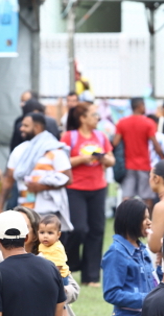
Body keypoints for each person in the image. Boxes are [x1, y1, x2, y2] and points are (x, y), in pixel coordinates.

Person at [62, 101, 114, 286]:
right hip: (75, 188)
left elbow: (112, 160)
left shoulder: (101, 136)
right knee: (78, 229)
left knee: (97, 231)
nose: (97, 118)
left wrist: (103, 158)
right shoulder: (69, 137)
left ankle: (91, 276)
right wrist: (83, 158)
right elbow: (60, 161)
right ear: (82, 118)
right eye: (93, 115)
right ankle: (71, 263)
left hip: (98, 188)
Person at [5, 113, 73, 233]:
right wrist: (1, 207)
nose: (21, 128)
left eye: (25, 126)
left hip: (47, 211)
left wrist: (41, 186)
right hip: (24, 210)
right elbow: (8, 179)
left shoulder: (54, 149)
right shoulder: (20, 150)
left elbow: (68, 178)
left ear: (37, 127)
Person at [114, 98, 164, 205]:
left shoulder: (122, 123)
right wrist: (163, 158)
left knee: (127, 196)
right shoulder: (148, 123)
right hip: (144, 165)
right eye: (144, 105)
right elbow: (156, 145)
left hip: (128, 165)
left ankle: (126, 219)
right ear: (139, 106)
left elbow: (115, 142)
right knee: (147, 197)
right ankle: (147, 220)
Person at [38, 214, 70, 281]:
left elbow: (58, 266)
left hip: (60, 276)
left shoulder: (57, 248)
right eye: (42, 232)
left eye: (50, 233)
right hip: (48, 273)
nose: (45, 236)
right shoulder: (42, 245)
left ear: (58, 235)